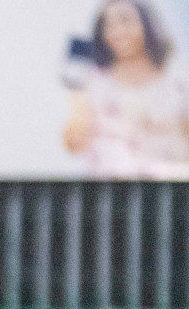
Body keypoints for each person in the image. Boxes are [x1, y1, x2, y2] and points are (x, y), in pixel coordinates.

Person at [63, 0, 189, 179]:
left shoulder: (178, 78)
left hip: (169, 188)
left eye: (125, 21)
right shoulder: (93, 82)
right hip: (112, 189)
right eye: (109, 25)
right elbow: (73, 144)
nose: (118, 32)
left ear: (146, 24)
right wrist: (76, 98)